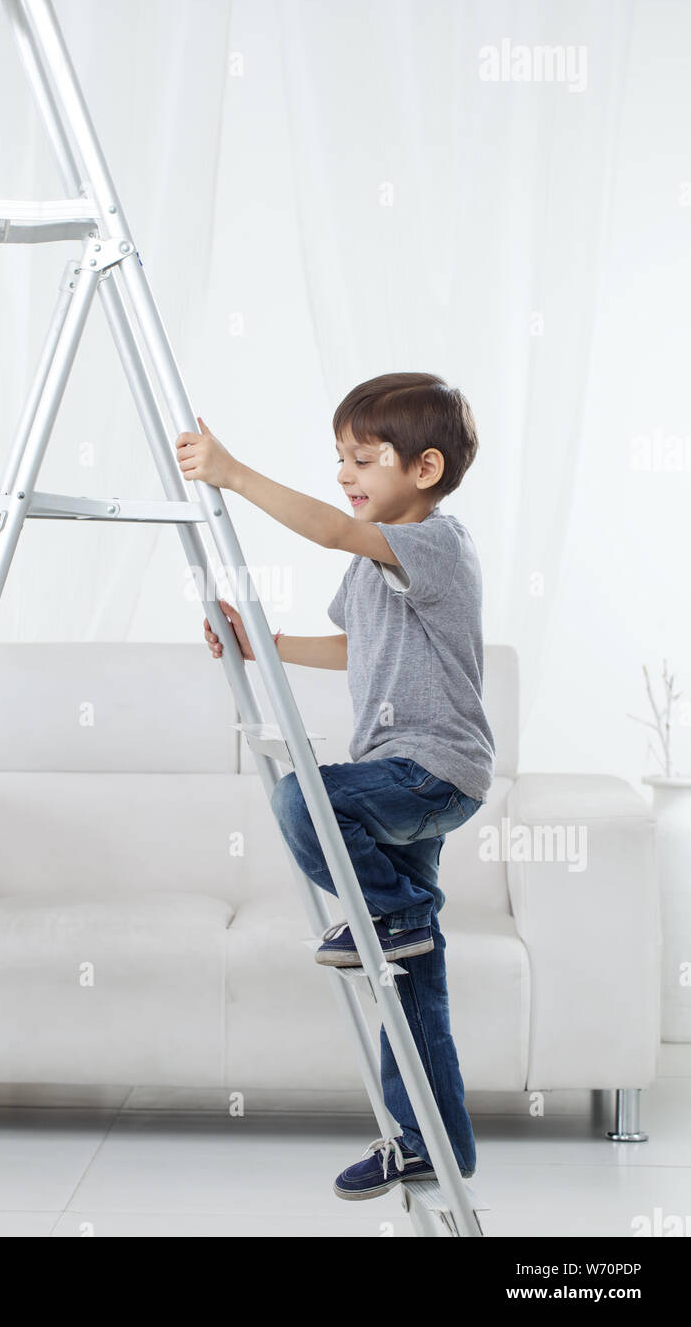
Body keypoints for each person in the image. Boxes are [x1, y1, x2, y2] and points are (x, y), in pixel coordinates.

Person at [175, 371, 494, 1200]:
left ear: (422, 471)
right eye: (339, 459)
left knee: (304, 798)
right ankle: (427, 1143)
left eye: (363, 459)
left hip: (433, 770)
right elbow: (355, 650)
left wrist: (233, 474)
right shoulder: (374, 566)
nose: (345, 476)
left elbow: (324, 532)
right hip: (404, 778)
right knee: (410, 980)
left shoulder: (434, 544)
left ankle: (399, 915)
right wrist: (264, 645)